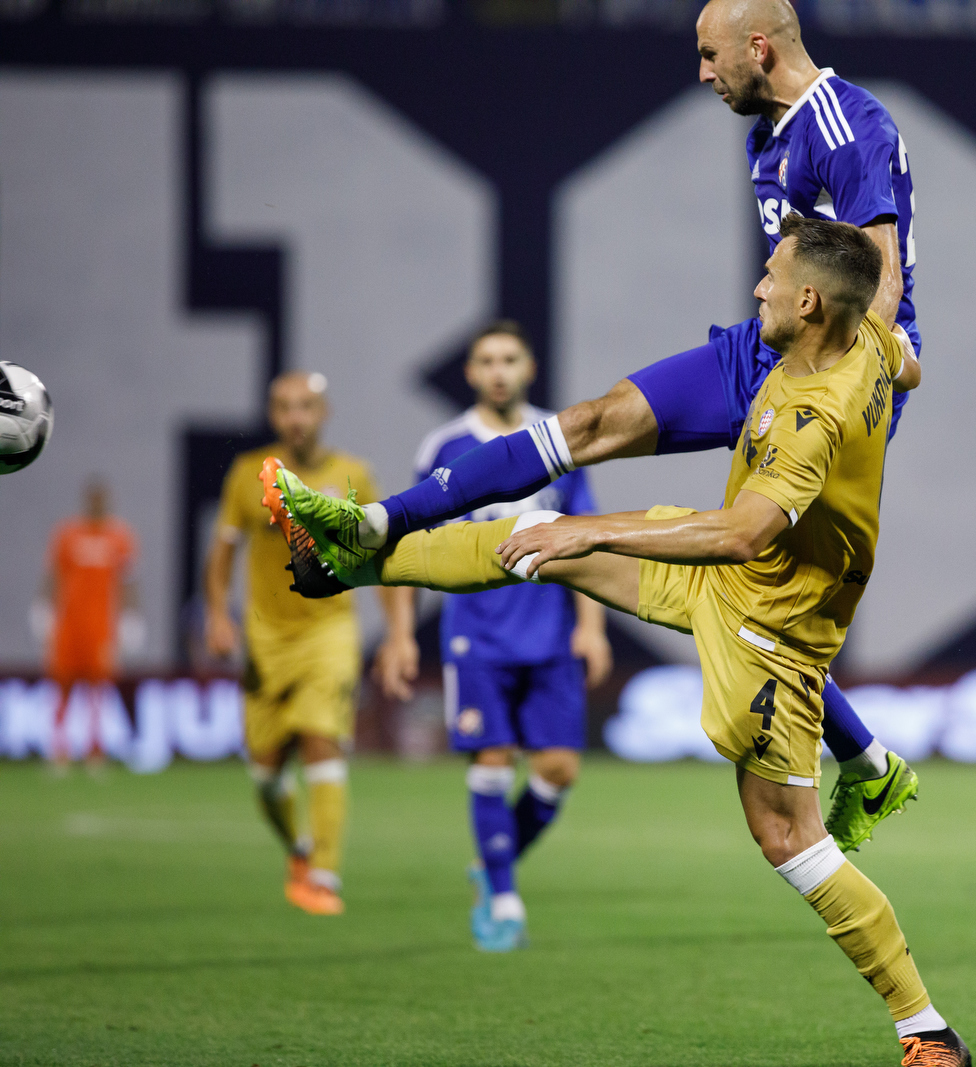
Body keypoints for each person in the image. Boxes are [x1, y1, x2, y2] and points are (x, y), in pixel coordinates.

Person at [265, 217, 969, 1065]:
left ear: (811, 301)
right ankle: (350, 560)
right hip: (737, 579)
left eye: (773, 277)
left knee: (788, 838)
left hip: (770, 630)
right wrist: (575, 534)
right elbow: (907, 359)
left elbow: (743, 531)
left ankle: (925, 1029)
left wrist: (590, 531)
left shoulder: (814, 416)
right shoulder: (870, 341)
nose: (758, 289)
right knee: (535, 539)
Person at [298, 0, 923, 852]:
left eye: (710, 57)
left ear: (760, 47)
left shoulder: (847, 126)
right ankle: (381, 519)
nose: (702, 75)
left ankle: (868, 769)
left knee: (754, 604)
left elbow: (878, 284)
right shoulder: (768, 136)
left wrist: (841, 394)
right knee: (590, 421)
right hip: (766, 356)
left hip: (836, 382)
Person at [377, 320, 613, 952]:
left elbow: (589, 534)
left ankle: (493, 858)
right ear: (471, 373)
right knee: (491, 758)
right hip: (475, 637)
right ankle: (503, 897)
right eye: (487, 360)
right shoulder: (445, 446)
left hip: (549, 633)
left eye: (510, 357)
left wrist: (592, 627)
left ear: (528, 367)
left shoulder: (560, 440)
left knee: (559, 770)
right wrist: (399, 635)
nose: (499, 370)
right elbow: (399, 539)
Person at [204, 371, 416, 917]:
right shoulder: (249, 473)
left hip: (329, 631)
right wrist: (216, 615)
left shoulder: (353, 476)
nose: (295, 417)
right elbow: (223, 553)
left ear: (324, 413)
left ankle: (324, 873)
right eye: (284, 408)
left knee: (322, 740)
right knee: (266, 770)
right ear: (274, 416)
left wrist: (398, 634)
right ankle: (298, 849)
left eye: (306, 407)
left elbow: (383, 559)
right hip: (267, 637)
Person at [34, 476, 141, 772]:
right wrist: (43, 608)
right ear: (86, 501)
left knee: (98, 692)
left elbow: (129, 582)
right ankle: (59, 752)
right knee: (62, 688)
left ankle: (95, 751)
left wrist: (130, 617)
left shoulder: (119, 537)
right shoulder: (68, 534)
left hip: (100, 626)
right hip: (68, 624)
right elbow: (53, 575)